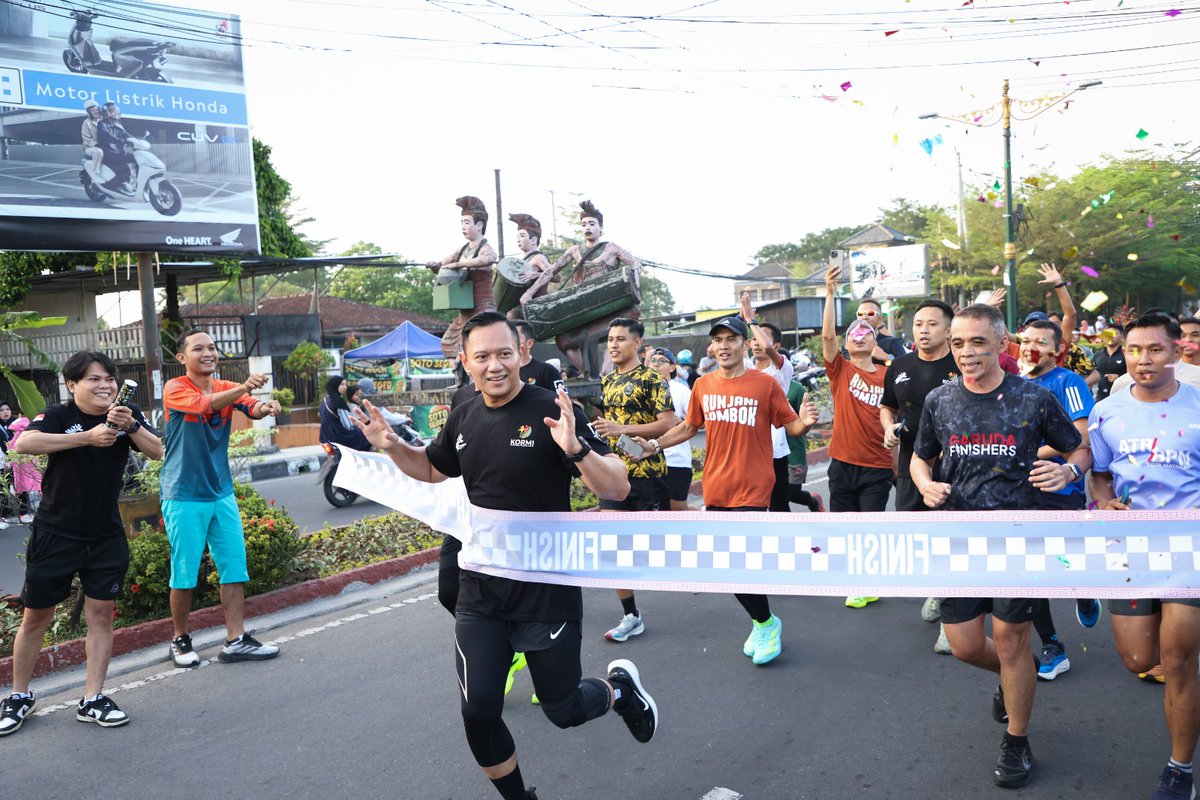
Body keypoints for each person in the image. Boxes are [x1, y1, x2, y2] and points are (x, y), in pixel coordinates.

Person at [352, 310, 656, 800]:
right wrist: (390, 445)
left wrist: (576, 449)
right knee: (479, 713)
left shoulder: (552, 409)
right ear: (466, 362)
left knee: (563, 711)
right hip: (482, 591)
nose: (494, 365)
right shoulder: (465, 411)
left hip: (545, 591)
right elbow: (433, 470)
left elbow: (617, 485)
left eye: (503, 354)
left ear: (521, 354)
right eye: (482, 357)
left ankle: (619, 690)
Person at [911, 303, 1089, 788]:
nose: (966, 353)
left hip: (1018, 537)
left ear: (1001, 342)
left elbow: (1079, 446)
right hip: (960, 537)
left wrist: (1068, 470)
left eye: (978, 343)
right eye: (958, 344)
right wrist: (926, 484)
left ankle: (1017, 737)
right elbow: (919, 459)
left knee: (1012, 639)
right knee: (966, 645)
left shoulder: (1032, 399)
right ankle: (1017, 676)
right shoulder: (940, 401)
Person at [632, 315, 818, 666]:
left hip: (752, 489)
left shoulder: (764, 384)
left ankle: (765, 624)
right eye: (717, 340)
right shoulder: (703, 385)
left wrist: (805, 422)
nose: (723, 346)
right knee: (725, 567)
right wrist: (654, 446)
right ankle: (762, 620)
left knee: (739, 564)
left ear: (745, 344)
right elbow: (689, 426)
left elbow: (791, 425)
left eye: (731, 339)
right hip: (716, 487)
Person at [0, 351, 162, 736]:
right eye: (93, 379)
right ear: (72, 385)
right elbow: (24, 444)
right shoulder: (59, 415)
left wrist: (132, 428)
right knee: (36, 615)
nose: (104, 385)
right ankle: (20, 696)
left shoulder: (126, 414)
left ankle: (93, 698)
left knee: (101, 615)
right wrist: (88, 437)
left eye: (109, 378)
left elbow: (158, 452)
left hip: (105, 533)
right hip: (56, 531)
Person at [1088, 311, 1200, 800]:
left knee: (1177, 662)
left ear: (1177, 351)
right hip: (1130, 547)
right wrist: (1102, 498)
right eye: (1134, 350)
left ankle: (1180, 769)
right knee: (1140, 660)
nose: (1143, 360)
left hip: (1189, 547)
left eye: (1155, 350)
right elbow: (1099, 472)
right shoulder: (1107, 410)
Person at [160, 329, 282, 668]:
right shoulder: (176, 388)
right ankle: (180, 639)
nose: (208, 353)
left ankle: (236, 639)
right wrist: (245, 388)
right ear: (183, 358)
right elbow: (203, 406)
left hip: (221, 491)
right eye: (198, 348)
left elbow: (250, 407)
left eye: (212, 347)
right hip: (183, 494)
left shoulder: (227, 387)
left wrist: (265, 406)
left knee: (233, 567)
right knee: (184, 572)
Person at [1018, 318, 1101, 680]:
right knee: (1031, 571)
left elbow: (1080, 437)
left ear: (1056, 351)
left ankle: (1083, 589)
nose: (1030, 347)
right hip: (1021, 491)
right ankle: (1052, 645)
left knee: (1067, 560)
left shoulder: (1068, 382)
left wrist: (1028, 450)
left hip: (1061, 487)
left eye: (1040, 341)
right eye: (1025, 340)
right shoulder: (1013, 385)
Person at [880, 298, 959, 653]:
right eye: (918, 324)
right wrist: (887, 429)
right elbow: (887, 405)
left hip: (954, 464)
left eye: (932, 324)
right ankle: (936, 588)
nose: (923, 330)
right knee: (916, 534)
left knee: (949, 537)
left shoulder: (960, 363)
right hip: (912, 461)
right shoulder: (898, 364)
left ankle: (951, 621)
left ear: (948, 330)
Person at [594, 317, 676, 643]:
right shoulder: (608, 381)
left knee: (650, 545)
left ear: (637, 343)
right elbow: (611, 428)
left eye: (621, 339)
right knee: (613, 545)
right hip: (616, 473)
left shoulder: (653, 379)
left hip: (648, 472)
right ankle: (631, 614)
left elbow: (667, 424)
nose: (614, 345)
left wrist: (622, 430)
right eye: (610, 339)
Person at [822, 262, 893, 608]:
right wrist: (831, 293)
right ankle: (858, 578)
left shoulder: (887, 376)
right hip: (842, 463)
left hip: (877, 466)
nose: (859, 334)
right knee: (844, 527)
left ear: (875, 341)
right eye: (854, 332)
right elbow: (826, 338)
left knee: (869, 528)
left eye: (866, 331)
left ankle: (867, 581)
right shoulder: (840, 370)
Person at [520, 200, 641, 378]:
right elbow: (551, 271)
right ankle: (588, 372)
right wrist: (528, 293)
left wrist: (636, 271)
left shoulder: (611, 249)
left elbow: (635, 262)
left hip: (610, 307)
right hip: (582, 311)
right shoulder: (574, 251)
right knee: (562, 340)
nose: (587, 227)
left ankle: (607, 372)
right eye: (584, 224)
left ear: (600, 227)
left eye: (592, 223)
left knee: (619, 329)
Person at [739, 292, 795, 516]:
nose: (756, 343)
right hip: (748, 449)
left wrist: (752, 321)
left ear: (777, 344)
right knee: (751, 506)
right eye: (752, 339)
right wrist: (742, 318)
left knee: (779, 507)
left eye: (761, 338)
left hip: (774, 450)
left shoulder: (782, 368)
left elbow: (769, 350)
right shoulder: (745, 367)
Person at [427, 196, 499, 359]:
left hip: (483, 308)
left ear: (479, 225)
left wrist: (461, 264)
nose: (463, 227)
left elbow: (489, 258)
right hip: (465, 312)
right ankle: (463, 380)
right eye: (461, 223)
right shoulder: (461, 250)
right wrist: (436, 265)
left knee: (479, 344)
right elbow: (444, 264)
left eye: (467, 222)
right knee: (449, 344)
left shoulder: (484, 248)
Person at [646, 347, 694, 511]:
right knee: (655, 510)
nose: (656, 365)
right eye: (653, 361)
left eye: (661, 361)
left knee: (678, 509)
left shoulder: (681, 391)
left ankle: (701, 519)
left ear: (672, 367)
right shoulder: (643, 390)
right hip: (649, 460)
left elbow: (699, 421)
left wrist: (680, 421)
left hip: (676, 460)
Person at [505, 213, 551, 318]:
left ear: (533, 240)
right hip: (524, 301)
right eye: (517, 236)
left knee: (512, 316)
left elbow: (555, 275)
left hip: (538, 300)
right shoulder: (524, 260)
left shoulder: (539, 257)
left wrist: (535, 274)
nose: (518, 239)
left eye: (522, 236)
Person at [319, 374, 372, 452]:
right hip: (341, 438)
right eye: (342, 384)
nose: (345, 387)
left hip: (326, 437)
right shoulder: (338, 401)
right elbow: (348, 425)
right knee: (368, 437)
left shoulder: (324, 401)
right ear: (335, 385)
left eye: (345, 385)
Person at [96, 102, 136, 195]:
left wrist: (136, 141)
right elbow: (106, 134)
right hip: (107, 150)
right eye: (112, 111)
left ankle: (137, 183)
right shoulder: (102, 124)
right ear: (106, 113)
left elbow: (127, 135)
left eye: (115, 110)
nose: (115, 113)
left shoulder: (118, 126)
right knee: (121, 159)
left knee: (135, 158)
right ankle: (122, 182)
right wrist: (119, 140)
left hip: (116, 151)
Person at [853, 297, 907, 362]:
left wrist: (886, 357)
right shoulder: (850, 344)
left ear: (879, 319)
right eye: (860, 313)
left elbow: (906, 368)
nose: (864, 317)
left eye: (870, 313)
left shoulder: (891, 343)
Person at [1093, 326, 1127, 402]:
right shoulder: (1097, 355)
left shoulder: (1127, 354)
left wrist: (1119, 378)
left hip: (1123, 397)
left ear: (1121, 336)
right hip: (1101, 397)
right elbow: (1092, 373)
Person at [80, 99, 104, 174]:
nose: (95, 112)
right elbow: (86, 140)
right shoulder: (86, 123)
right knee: (99, 151)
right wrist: (98, 144)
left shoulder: (103, 121)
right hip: (90, 147)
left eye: (96, 109)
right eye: (93, 110)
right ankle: (96, 172)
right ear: (89, 112)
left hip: (104, 145)